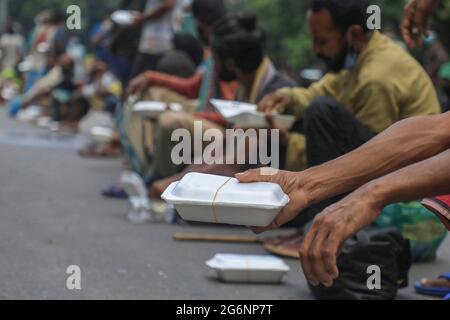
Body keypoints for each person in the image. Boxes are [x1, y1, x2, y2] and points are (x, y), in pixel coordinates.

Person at [235, 0, 450, 289]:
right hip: (405, 179)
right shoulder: (361, 57)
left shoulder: (377, 78)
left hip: (413, 208)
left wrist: (369, 195)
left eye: (322, 40)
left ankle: (330, 230)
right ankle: (316, 222)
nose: (315, 50)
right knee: (311, 115)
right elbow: (438, 129)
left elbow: (387, 156)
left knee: (320, 115)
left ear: (353, 34)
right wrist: (305, 182)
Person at [128, 0, 177, 79]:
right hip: (155, 42)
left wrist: (143, 18)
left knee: (137, 83)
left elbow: (168, 4)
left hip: (157, 43)